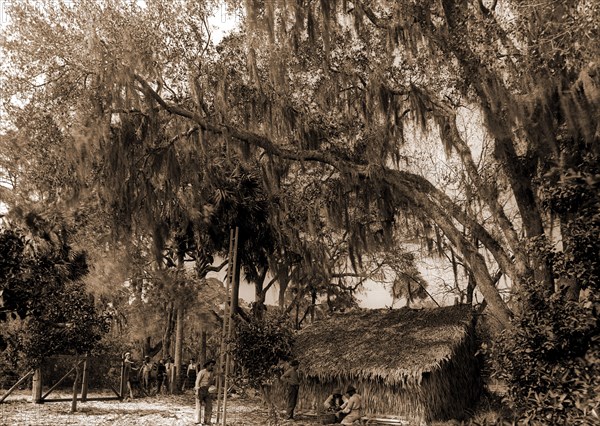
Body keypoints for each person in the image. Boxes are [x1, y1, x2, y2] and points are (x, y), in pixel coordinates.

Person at [194, 359, 216, 425]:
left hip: (208, 390)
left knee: (209, 406)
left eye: (213, 365)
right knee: (199, 406)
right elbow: (197, 382)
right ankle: (198, 421)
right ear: (207, 365)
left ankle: (207, 421)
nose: (212, 367)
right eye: (211, 365)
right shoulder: (202, 372)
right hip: (201, 389)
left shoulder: (212, 373)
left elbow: (217, 375)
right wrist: (197, 390)